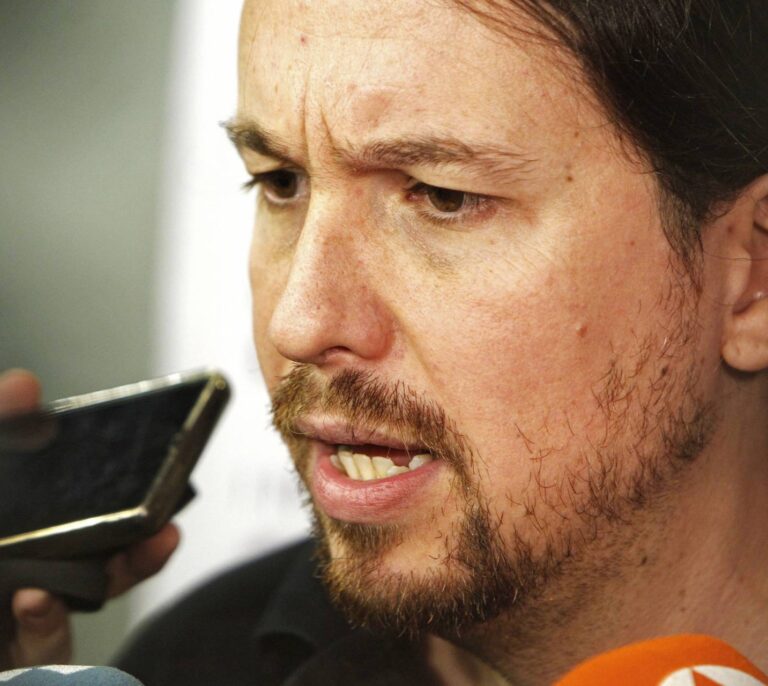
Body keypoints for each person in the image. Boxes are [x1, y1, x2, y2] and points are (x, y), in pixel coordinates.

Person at [3, 0, 768, 683]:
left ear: (751, 276)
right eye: (279, 182)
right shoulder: (198, 661)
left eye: (444, 196)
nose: (299, 324)